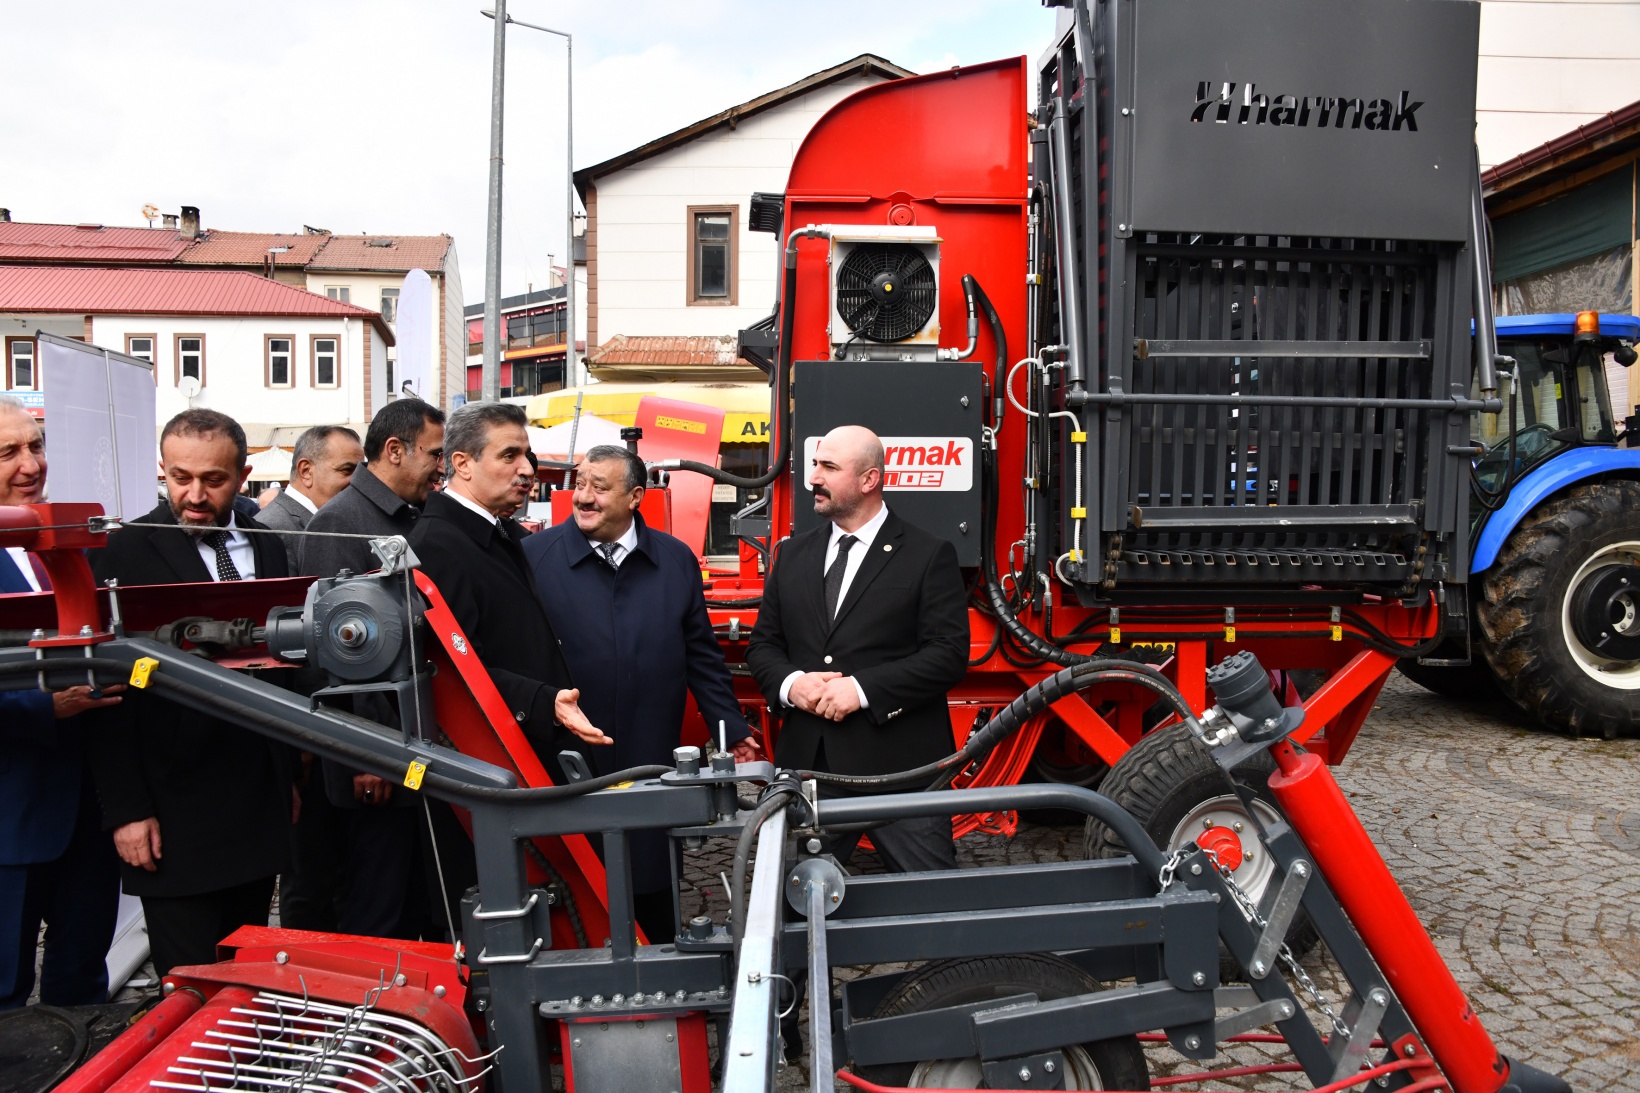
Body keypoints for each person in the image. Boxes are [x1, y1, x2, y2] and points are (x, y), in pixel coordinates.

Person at [522, 444, 760, 941]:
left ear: (635, 496)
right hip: (570, 753)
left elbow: (701, 655)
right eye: (580, 484)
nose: (583, 497)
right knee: (576, 876)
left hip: (650, 748)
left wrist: (731, 728)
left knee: (651, 874)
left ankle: (661, 963)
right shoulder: (534, 557)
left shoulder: (674, 559)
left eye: (599, 487)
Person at [86, 409, 294, 976]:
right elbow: (106, 699)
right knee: (188, 983)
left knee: (247, 974)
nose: (195, 496)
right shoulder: (121, 554)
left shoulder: (270, 548)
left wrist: (287, 777)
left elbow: (283, 671)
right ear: (163, 470)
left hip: (256, 802)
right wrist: (128, 811)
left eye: (213, 480)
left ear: (244, 474)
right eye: (180, 478)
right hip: (172, 812)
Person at [746, 424, 969, 872]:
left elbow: (947, 654)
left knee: (932, 898)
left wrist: (862, 690)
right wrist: (793, 684)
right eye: (815, 464)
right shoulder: (793, 555)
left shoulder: (928, 554)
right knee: (796, 899)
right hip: (809, 768)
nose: (814, 477)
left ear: (869, 479)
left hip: (901, 772)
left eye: (829, 467)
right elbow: (763, 645)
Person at [299, 400, 447, 940]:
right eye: (435, 453)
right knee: (378, 904)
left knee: (416, 899)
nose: (441, 466)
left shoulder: (410, 515)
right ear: (395, 450)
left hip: (412, 747)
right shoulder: (339, 523)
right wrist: (365, 757)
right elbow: (334, 657)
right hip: (375, 763)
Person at [0, 396, 124, 1009]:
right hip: (11, 819)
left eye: (36, 445)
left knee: (81, 986)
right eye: (9, 452)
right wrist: (45, 708)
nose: (31, 464)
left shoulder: (70, 540)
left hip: (89, 816)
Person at [409, 403, 605, 778]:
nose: (528, 469)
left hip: (535, 751)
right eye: (509, 455)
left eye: (527, 455)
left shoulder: (498, 532)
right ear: (463, 464)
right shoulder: (437, 546)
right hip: (501, 768)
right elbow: (452, 674)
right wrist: (544, 702)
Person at [256, 426, 364, 570]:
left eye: (360, 472)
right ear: (306, 471)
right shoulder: (271, 530)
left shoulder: (341, 519)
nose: (357, 481)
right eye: (347, 470)